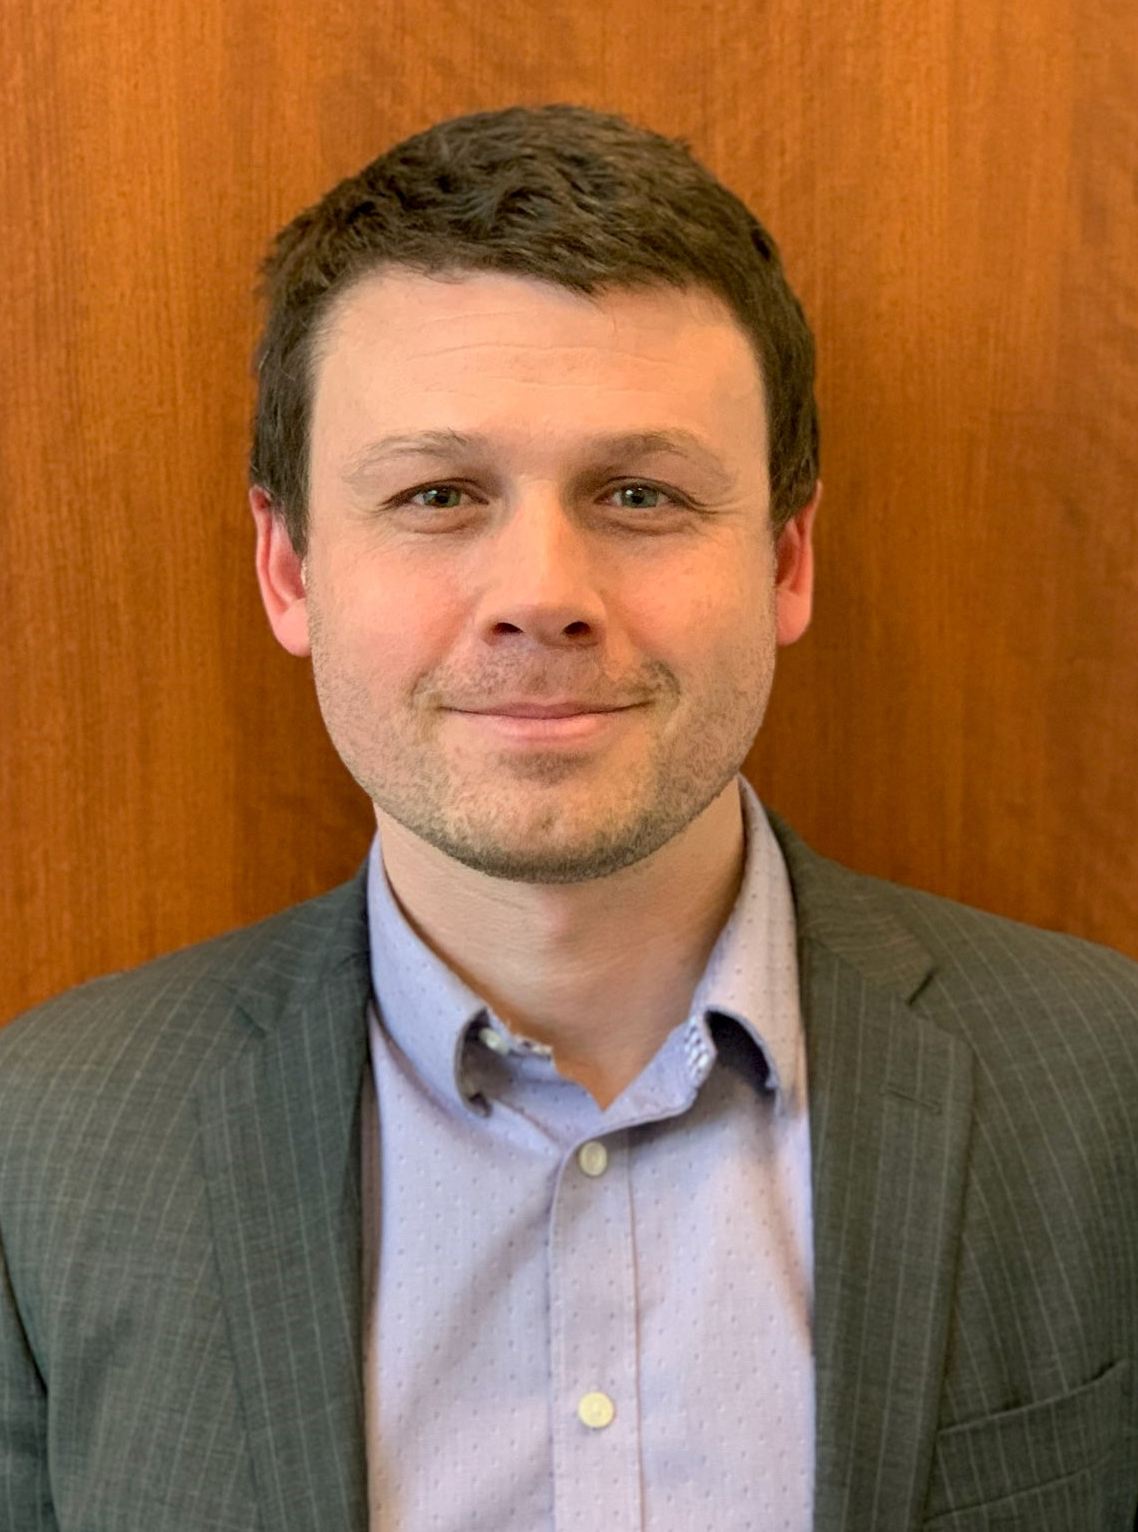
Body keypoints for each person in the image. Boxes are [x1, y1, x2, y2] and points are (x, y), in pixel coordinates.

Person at [1, 104, 1135, 1532]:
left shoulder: (1109, 1092)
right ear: (288, 569)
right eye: (436, 494)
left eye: (640, 493)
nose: (541, 593)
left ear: (786, 560)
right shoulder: (44, 1139)